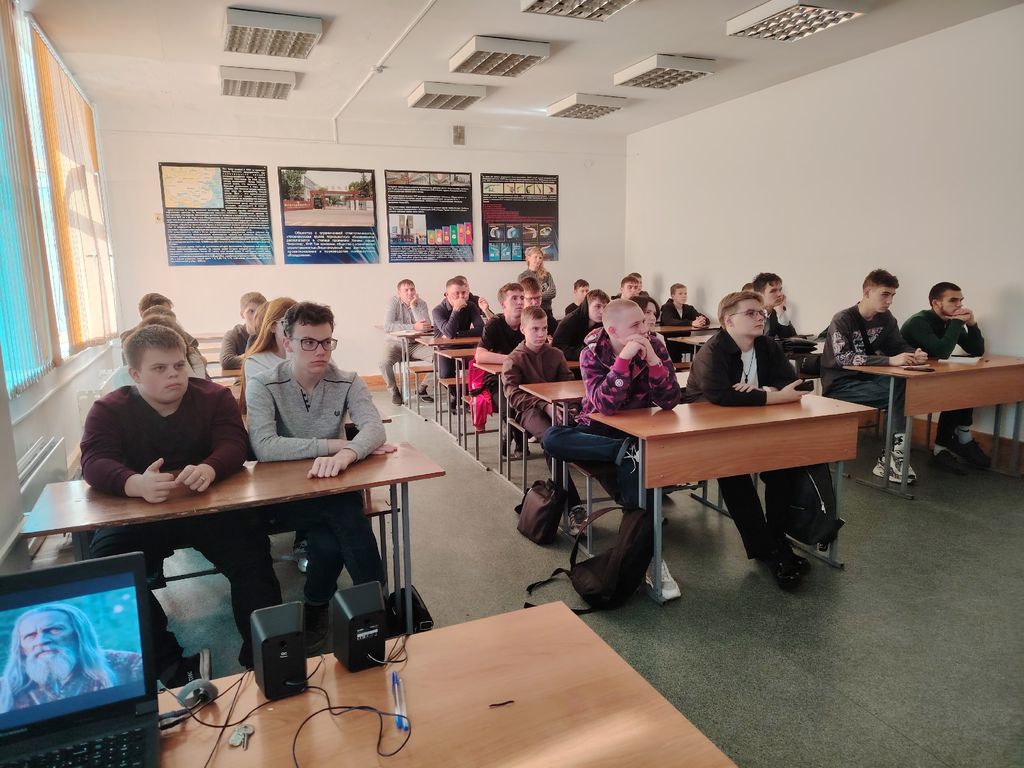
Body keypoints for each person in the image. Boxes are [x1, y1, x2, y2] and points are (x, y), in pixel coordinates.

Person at [82, 325, 282, 685]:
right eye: (159, 368)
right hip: (141, 514)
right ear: (135, 374)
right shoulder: (108, 409)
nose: (173, 375)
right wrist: (134, 483)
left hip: (206, 508)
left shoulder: (214, 397)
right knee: (107, 571)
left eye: (179, 365)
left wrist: (210, 468)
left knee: (253, 555)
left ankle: (263, 654)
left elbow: (234, 443)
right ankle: (172, 664)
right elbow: (94, 461)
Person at [246, 302, 389, 649]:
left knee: (330, 537)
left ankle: (320, 604)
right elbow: (264, 446)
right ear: (288, 342)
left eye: (326, 342)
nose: (320, 351)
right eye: (308, 342)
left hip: (331, 488)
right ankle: (375, 607)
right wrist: (333, 445)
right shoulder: (264, 384)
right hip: (284, 496)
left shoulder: (348, 380)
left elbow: (375, 429)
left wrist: (349, 453)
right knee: (345, 516)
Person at [542, 300, 682, 599]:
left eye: (645, 321)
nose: (645, 329)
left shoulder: (655, 345)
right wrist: (624, 360)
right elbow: (604, 405)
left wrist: (654, 361)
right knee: (552, 438)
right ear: (613, 331)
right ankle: (623, 452)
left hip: (640, 428)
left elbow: (670, 400)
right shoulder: (591, 352)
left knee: (635, 467)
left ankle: (648, 554)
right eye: (636, 325)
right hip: (600, 428)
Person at [684, 290, 814, 589]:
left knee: (784, 468)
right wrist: (774, 396)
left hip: (753, 424)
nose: (760, 318)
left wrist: (761, 392)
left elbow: (792, 384)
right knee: (735, 476)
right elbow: (721, 395)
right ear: (729, 320)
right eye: (751, 313)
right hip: (711, 432)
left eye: (761, 313)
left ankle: (777, 538)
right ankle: (767, 550)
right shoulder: (713, 351)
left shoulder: (767, 345)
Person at [822, 269, 928, 483]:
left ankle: (892, 456)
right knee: (898, 392)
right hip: (840, 384)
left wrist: (913, 354)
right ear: (867, 292)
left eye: (892, 295)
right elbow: (843, 357)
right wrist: (889, 361)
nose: (890, 301)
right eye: (885, 294)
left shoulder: (886, 319)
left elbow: (897, 346)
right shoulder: (843, 319)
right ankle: (892, 457)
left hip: (868, 379)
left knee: (904, 387)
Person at [503, 306, 585, 522]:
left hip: (560, 406)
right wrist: (544, 405)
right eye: (535, 329)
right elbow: (513, 396)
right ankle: (574, 506)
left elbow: (568, 384)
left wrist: (572, 407)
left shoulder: (556, 354)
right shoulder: (514, 359)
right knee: (552, 439)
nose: (541, 334)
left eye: (544, 328)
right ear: (523, 329)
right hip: (530, 411)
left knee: (586, 428)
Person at [901, 281, 990, 472]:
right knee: (955, 390)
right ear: (936, 303)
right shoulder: (919, 321)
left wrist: (972, 323)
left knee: (967, 383)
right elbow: (941, 351)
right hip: (907, 380)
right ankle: (942, 449)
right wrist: (957, 322)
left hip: (931, 376)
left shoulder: (949, 320)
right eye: (953, 300)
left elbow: (977, 350)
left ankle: (961, 438)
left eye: (961, 300)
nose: (959, 305)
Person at [0, 604, 144, 712]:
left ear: (79, 635)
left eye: (54, 630)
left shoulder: (131, 665)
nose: (42, 641)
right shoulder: (4, 689)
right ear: (21, 649)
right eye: (30, 636)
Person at [380, 279, 434, 406]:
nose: (410, 292)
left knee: (441, 358)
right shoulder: (393, 302)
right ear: (399, 293)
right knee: (383, 363)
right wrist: (413, 327)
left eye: (412, 289)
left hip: (416, 344)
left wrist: (414, 306)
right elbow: (388, 326)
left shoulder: (421, 303)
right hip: (396, 344)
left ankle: (422, 388)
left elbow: (426, 326)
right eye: (406, 290)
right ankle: (394, 391)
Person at [432, 277, 486, 380]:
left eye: (464, 293)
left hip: (466, 346)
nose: (461, 297)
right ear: (447, 294)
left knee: (481, 367)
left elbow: (481, 329)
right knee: (446, 376)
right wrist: (456, 309)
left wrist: (458, 334)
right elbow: (449, 333)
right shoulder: (438, 310)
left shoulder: (471, 306)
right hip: (444, 349)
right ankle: (453, 392)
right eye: (456, 293)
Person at [552, 289, 608, 362]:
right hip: (571, 364)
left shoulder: (604, 323)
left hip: (592, 362)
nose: (602, 311)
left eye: (605, 307)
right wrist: (586, 353)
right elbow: (558, 347)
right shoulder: (570, 321)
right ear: (587, 306)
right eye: (597, 306)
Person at [220, 291, 267, 371]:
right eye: (251, 311)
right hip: (242, 378)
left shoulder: (270, 333)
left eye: (260, 311)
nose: (256, 316)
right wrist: (258, 357)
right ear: (242, 314)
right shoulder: (233, 334)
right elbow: (226, 362)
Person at [751, 272, 797, 339]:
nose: (780, 294)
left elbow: (792, 341)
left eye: (780, 290)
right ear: (759, 295)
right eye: (773, 291)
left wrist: (781, 312)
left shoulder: (777, 312)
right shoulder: (749, 314)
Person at [518, 245, 556, 314]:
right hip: (530, 312)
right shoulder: (523, 276)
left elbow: (552, 292)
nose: (538, 260)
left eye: (540, 258)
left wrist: (536, 296)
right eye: (535, 257)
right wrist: (542, 294)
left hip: (546, 311)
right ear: (528, 258)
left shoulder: (547, 274)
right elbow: (525, 295)